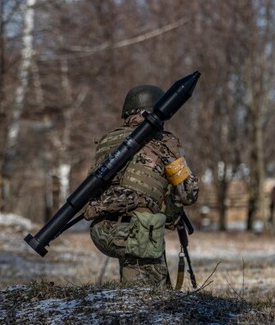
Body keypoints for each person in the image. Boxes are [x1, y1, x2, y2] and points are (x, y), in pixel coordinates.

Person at [84, 85, 199, 287]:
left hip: (101, 229)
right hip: (138, 231)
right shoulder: (164, 142)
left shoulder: (108, 139)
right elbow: (188, 192)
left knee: (134, 258)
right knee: (149, 302)